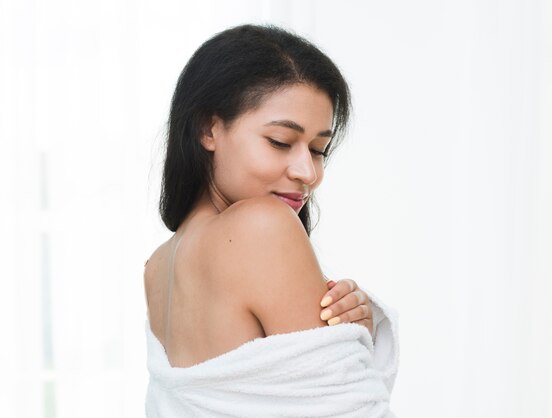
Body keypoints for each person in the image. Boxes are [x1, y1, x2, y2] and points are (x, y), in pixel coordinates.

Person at [143, 24, 398, 417]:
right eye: (280, 141)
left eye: (319, 150)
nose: (307, 172)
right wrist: (356, 351)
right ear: (208, 129)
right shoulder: (262, 225)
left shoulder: (158, 267)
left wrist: (353, 338)